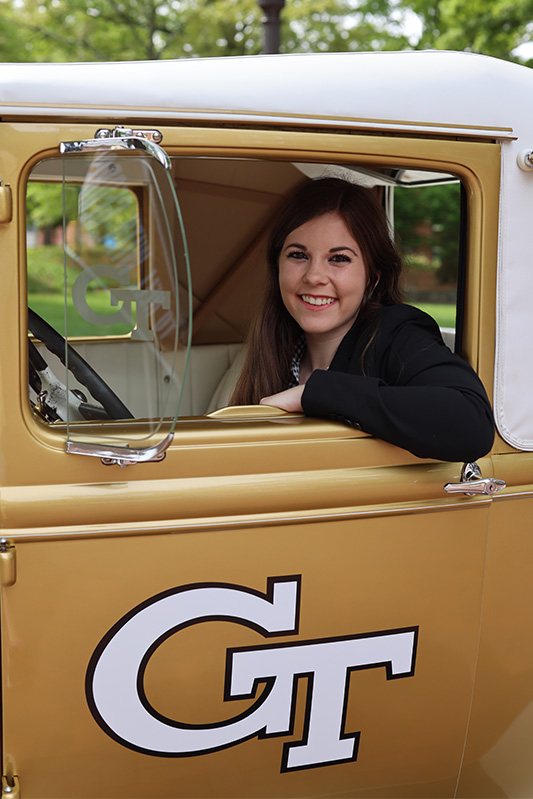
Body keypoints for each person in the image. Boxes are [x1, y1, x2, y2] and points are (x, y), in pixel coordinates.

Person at [230, 177, 494, 462]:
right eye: (298, 255)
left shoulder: (397, 333)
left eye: (339, 258)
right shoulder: (274, 345)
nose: (314, 276)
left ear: (373, 276)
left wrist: (316, 394)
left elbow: (471, 423)